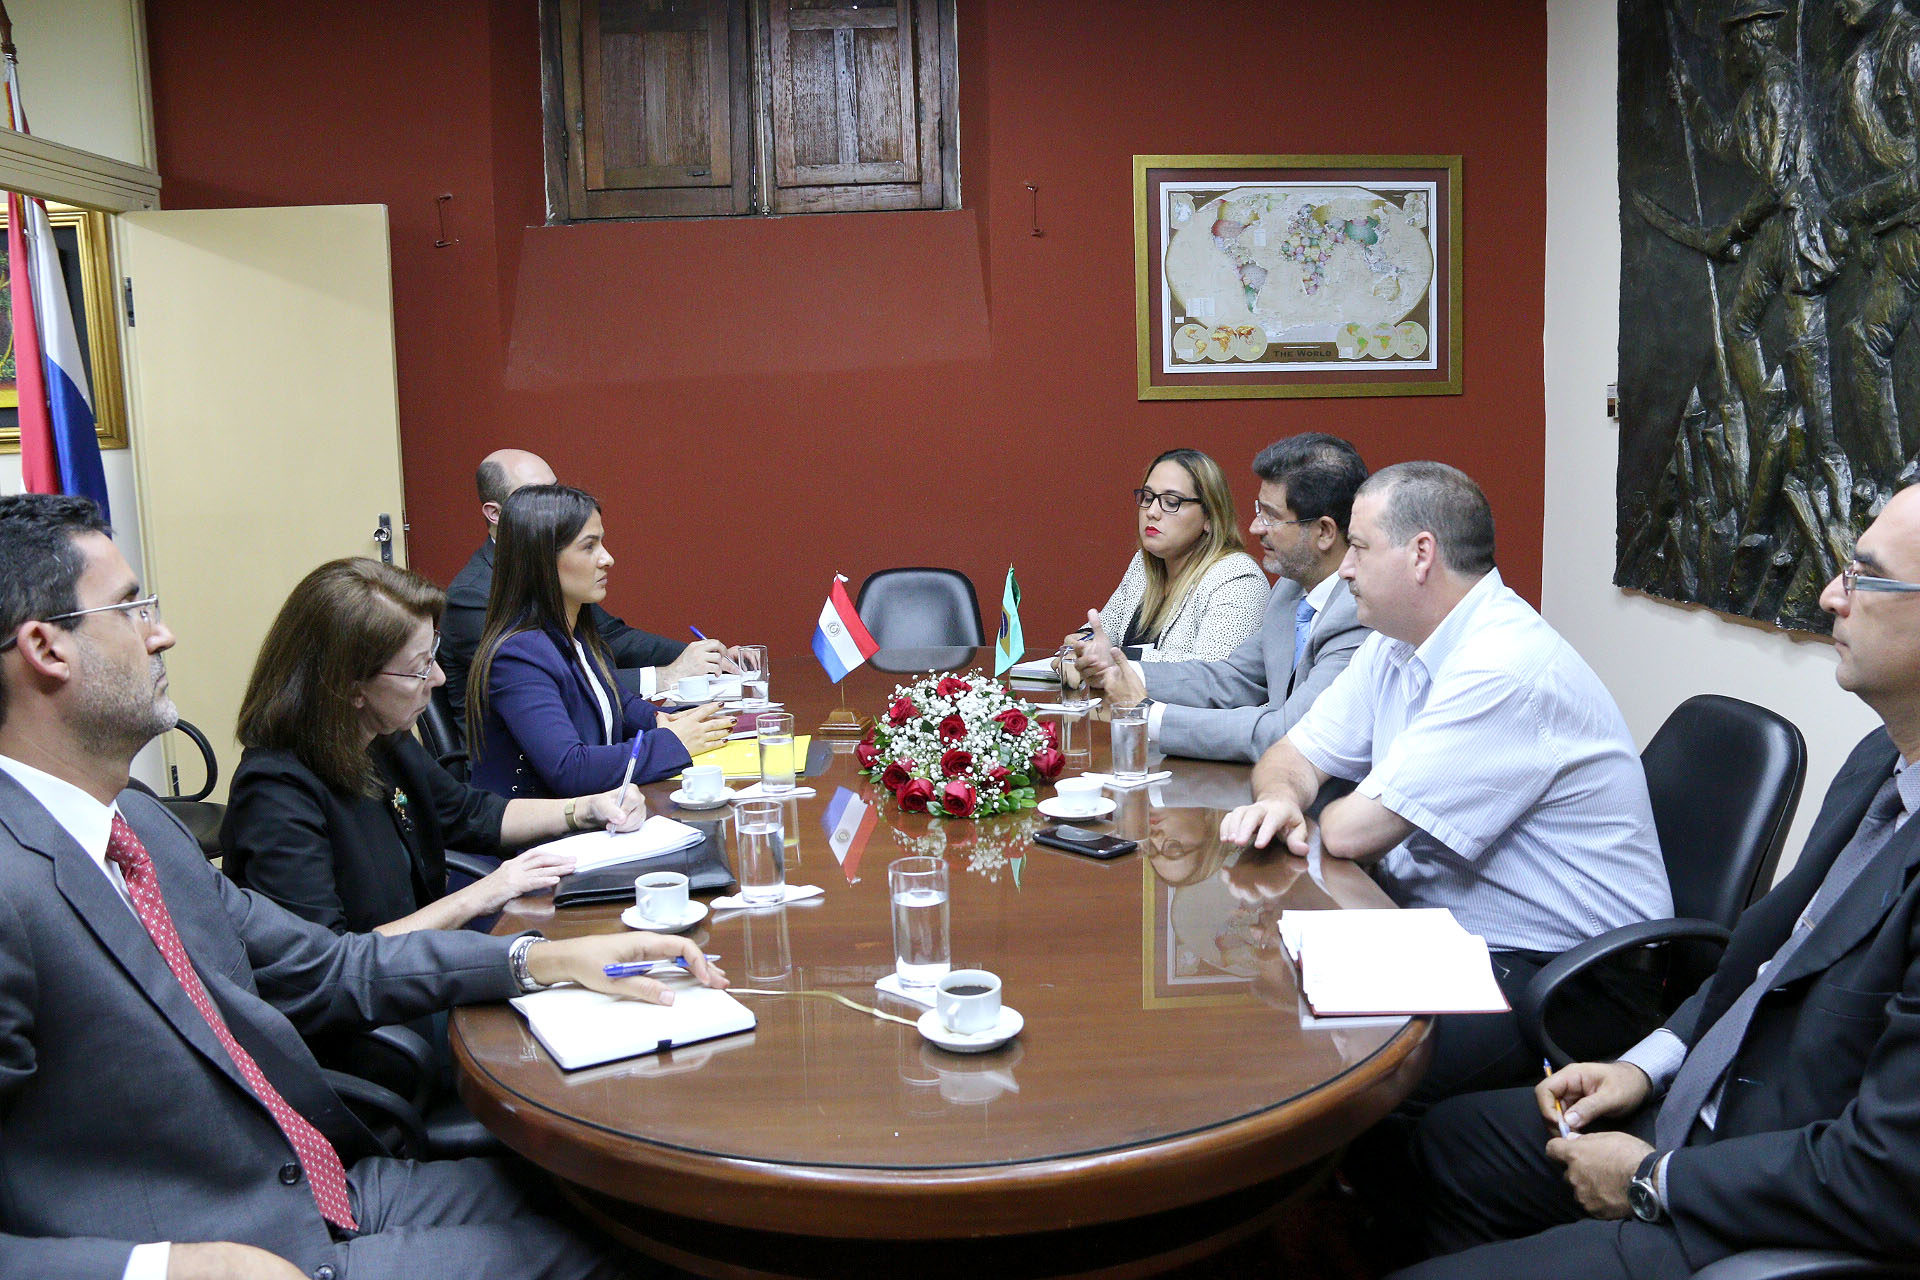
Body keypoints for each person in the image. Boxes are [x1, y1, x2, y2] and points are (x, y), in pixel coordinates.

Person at [0, 491, 725, 1279]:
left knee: (643, 1217)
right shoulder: (13, 883)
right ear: (46, 648)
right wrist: (160, 1269)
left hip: (318, 1185)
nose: (161, 633)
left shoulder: (140, 826)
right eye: (133, 610)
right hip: (226, 1241)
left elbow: (331, 964)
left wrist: (537, 961)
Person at [1390, 484, 1920, 1280]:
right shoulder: (1882, 761)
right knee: (1449, 1145)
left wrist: (1650, 1178)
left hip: (1768, 1202)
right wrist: (1645, 1064)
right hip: (1707, 1108)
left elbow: (1883, 1175)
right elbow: (1766, 959)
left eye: (1864, 576)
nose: (1829, 596)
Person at [1220, 462, 1672, 1107]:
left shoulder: (1504, 667)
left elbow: (1353, 832)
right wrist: (1280, 799)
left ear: (1421, 554)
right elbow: (1291, 753)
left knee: (1326, 1070)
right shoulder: (1395, 641)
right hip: (1452, 939)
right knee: (1271, 1005)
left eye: (1359, 547)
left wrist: (1312, 811)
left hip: (1567, 978)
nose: (1344, 568)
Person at [223, 558, 650, 937]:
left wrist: (586, 808)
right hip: (367, 1018)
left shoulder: (380, 740)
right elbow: (329, 966)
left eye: (434, 656)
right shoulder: (276, 795)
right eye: (419, 668)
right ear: (352, 688)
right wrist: (482, 893)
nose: (440, 679)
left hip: (419, 973)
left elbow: (471, 814)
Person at [1073, 433, 1370, 763]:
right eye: (1259, 510)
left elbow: (1288, 732)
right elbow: (1233, 678)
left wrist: (1149, 716)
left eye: (1271, 515)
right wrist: (1121, 673)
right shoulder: (1290, 588)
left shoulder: (1357, 612)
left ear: (1325, 532)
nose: (1256, 527)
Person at [468, 484, 732, 799]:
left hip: (600, 815)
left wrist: (665, 720)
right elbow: (570, 770)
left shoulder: (576, 630)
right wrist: (673, 742)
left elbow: (617, 703)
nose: (608, 559)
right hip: (545, 839)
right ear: (542, 559)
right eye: (589, 546)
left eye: (601, 543)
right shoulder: (517, 655)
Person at [441, 448, 735, 716]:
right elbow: (554, 686)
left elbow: (612, 637)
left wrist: (702, 659)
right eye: (537, 494)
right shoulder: (471, 595)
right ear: (495, 513)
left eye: (555, 489)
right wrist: (666, 675)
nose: (557, 502)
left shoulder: (555, 569)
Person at [1072, 448, 1269, 665]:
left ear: (1210, 517)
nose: (1152, 511)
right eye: (1147, 497)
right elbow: (1101, 633)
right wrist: (1078, 649)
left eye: (1171, 501)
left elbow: (1214, 671)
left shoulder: (1237, 578)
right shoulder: (1143, 566)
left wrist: (1115, 657)